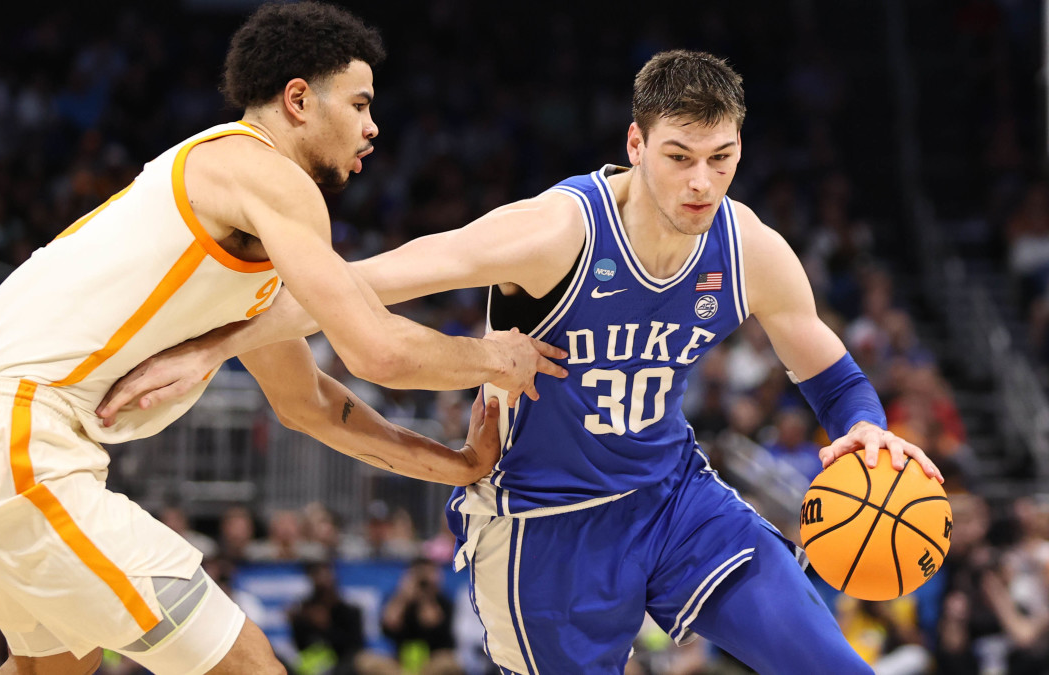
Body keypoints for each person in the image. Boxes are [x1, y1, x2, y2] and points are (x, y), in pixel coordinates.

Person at [99, 50, 946, 674]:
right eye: (680, 157)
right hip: (547, 521)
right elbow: (364, 282)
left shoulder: (746, 243)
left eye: (720, 159)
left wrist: (867, 430)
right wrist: (210, 348)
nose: (701, 183)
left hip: (674, 497)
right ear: (638, 143)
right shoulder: (555, 232)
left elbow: (830, 373)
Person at [0, 4, 566, 674]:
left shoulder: (235, 207)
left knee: (54, 668)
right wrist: (495, 357)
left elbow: (306, 403)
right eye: (361, 104)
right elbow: (377, 350)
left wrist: (455, 464)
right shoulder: (267, 176)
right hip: (16, 435)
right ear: (299, 100)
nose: (372, 128)